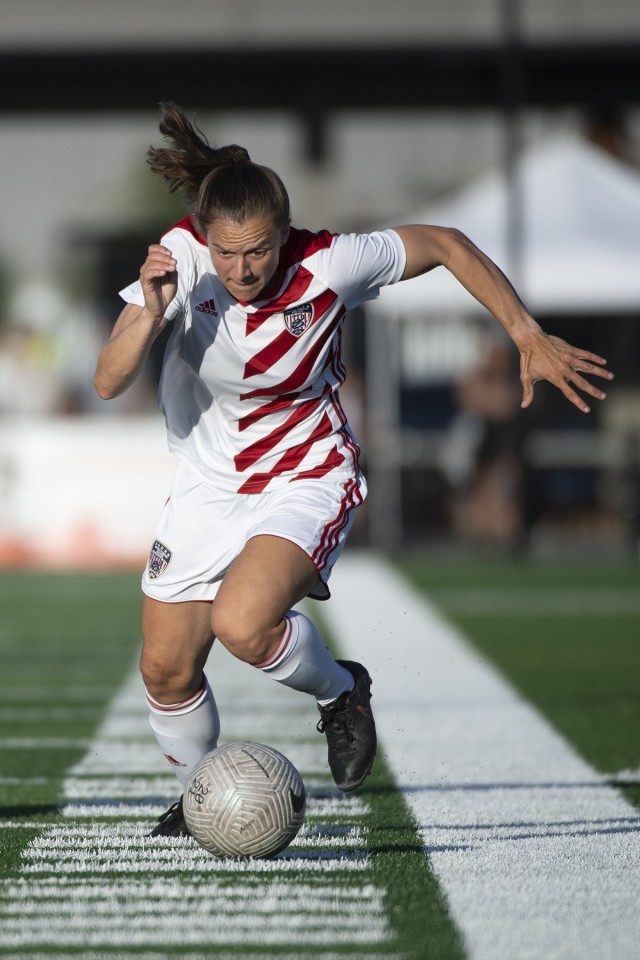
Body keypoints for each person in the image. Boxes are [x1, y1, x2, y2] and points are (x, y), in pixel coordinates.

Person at [94, 102, 612, 837]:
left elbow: (448, 244)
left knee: (243, 624)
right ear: (205, 235)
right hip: (206, 489)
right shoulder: (178, 260)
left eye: (260, 251)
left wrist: (525, 333)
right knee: (165, 674)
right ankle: (199, 794)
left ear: (285, 232)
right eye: (228, 253)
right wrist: (149, 312)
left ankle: (341, 692)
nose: (243, 270)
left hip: (308, 473)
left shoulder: (330, 262)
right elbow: (109, 380)